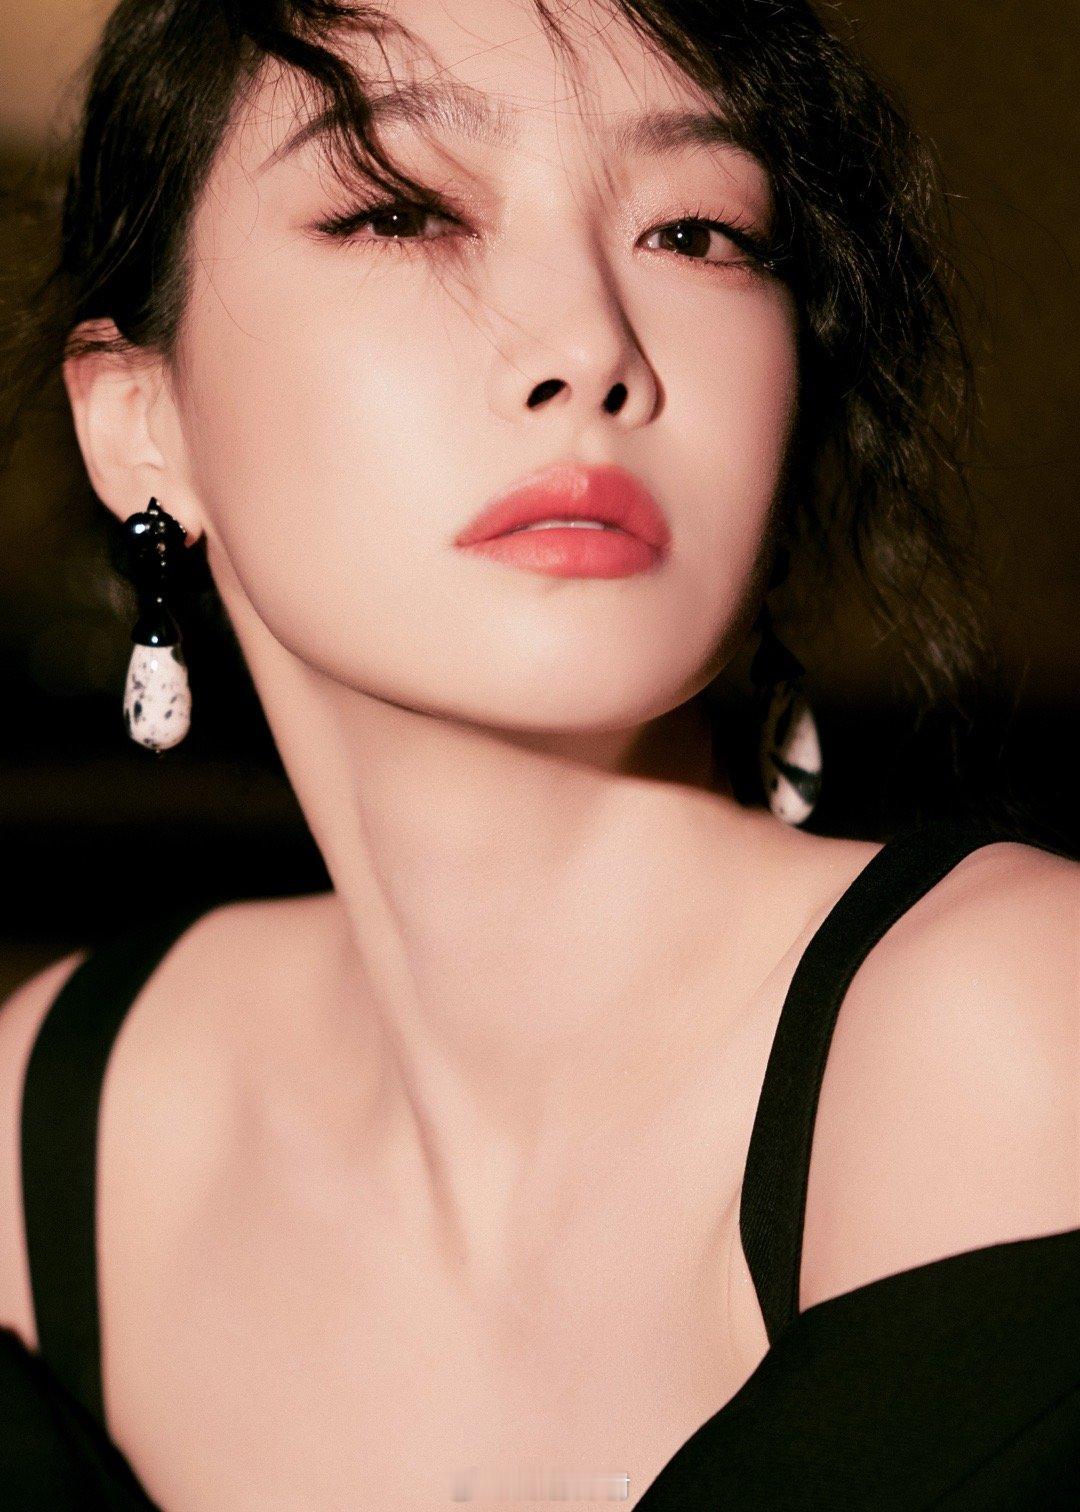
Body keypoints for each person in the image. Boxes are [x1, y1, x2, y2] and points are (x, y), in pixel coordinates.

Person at [0, 0, 1077, 1506]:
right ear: (139, 423)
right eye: (398, 210)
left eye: (696, 232)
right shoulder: (56, 1119)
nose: (590, 347)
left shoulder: (1007, 1029)